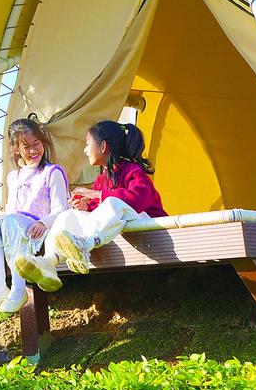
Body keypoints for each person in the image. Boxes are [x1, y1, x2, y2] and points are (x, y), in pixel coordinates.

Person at [15, 119, 165, 291]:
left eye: (87, 144)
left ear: (103, 146)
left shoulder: (132, 170)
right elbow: (102, 210)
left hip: (149, 224)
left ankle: (84, 246)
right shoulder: (102, 179)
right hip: (117, 226)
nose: (85, 150)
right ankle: (48, 262)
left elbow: (137, 199)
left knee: (113, 203)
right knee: (67, 215)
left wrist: (96, 195)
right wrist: (87, 206)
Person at [0, 115, 70, 314]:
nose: (33, 150)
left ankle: (18, 288)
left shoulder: (52, 172)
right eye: (26, 147)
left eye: (36, 144)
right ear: (16, 149)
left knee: (11, 221)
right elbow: (11, 209)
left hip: (40, 231)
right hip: (16, 231)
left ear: (43, 142)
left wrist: (44, 223)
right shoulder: (13, 177)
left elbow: (61, 209)